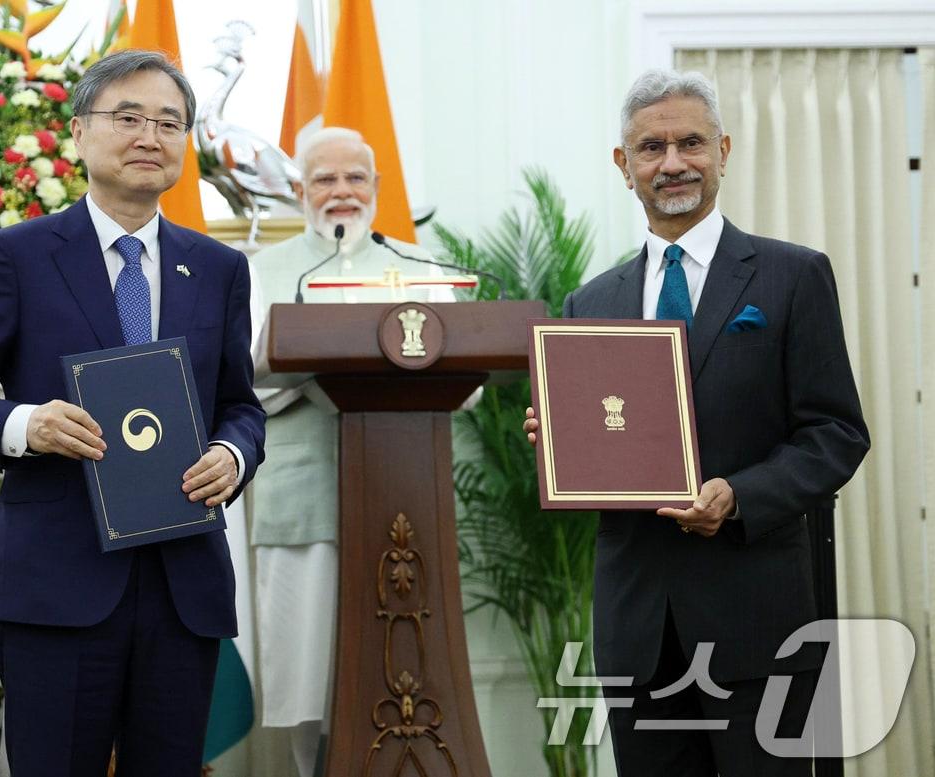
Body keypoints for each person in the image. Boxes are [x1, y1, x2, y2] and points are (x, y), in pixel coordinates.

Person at [0, 49, 265, 776]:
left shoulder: (220, 266)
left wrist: (232, 456)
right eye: (128, 116)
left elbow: (239, 405)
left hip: (182, 587)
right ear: (78, 132)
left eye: (170, 121)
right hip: (59, 586)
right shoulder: (19, 255)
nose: (150, 135)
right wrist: (26, 425)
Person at [523, 70, 869, 776]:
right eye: (652, 147)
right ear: (624, 166)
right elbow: (599, 451)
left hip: (755, 625)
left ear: (723, 150)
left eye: (690, 143)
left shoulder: (791, 277)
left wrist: (738, 496)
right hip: (637, 630)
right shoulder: (590, 302)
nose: (672, 162)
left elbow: (836, 433)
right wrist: (559, 437)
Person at [245, 126, 453, 776]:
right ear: (301, 190)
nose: (341, 192)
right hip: (301, 502)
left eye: (354, 177)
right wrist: (332, 365)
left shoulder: (419, 267)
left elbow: (457, 378)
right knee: (308, 690)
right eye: (325, 179)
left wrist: (339, 365)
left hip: (405, 506)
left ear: (377, 188)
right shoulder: (260, 271)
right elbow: (242, 377)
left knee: (406, 679)